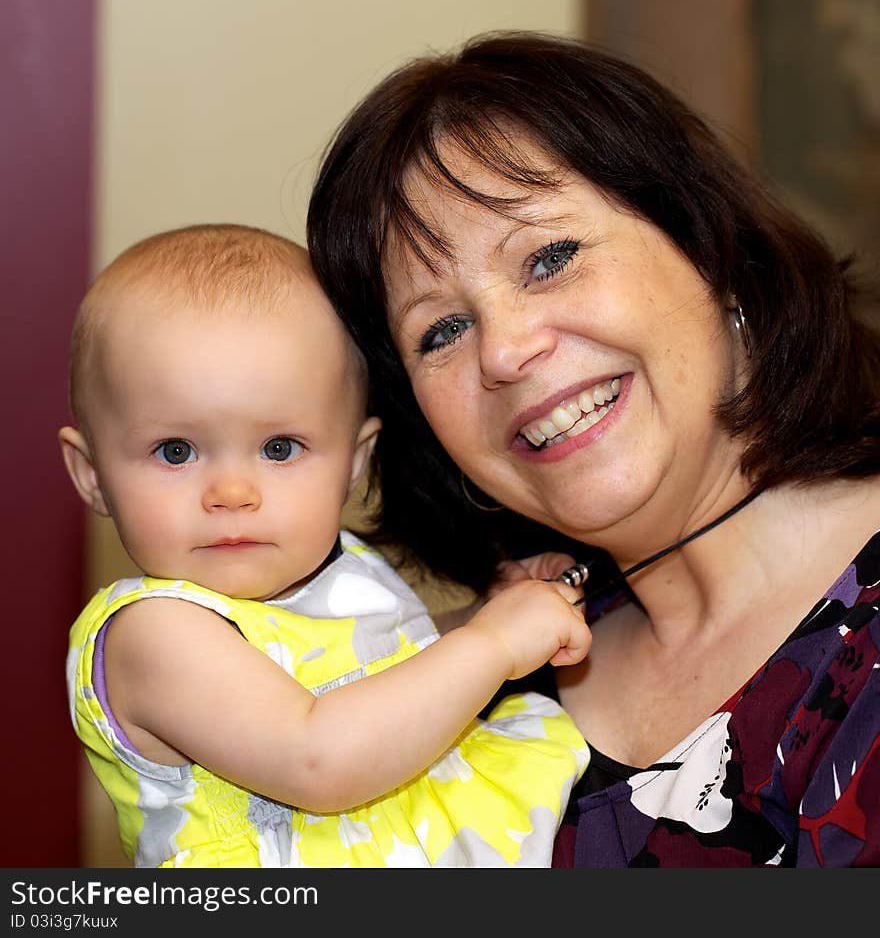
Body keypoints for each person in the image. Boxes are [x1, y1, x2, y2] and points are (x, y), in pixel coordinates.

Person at [306, 31, 880, 867]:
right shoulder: (456, 693)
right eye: (443, 330)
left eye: (551, 258)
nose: (501, 352)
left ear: (710, 250)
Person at [60, 223, 592, 868]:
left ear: (354, 463)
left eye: (279, 448)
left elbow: (378, 656)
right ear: (93, 476)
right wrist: (495, 646)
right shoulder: (152, 634)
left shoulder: (342, 568)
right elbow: (319, 759)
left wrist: (487, 611)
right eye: (177, 451)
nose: (232, 491)